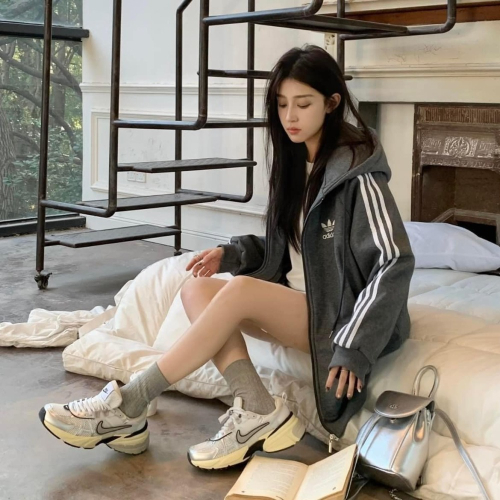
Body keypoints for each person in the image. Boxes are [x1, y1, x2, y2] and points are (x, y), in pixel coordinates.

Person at [39, 45, 415, 470]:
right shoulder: (296, 163)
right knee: (196, 289)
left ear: (331, 104)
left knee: (239, 292)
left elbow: (394, 260)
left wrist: (354, 347)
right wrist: (232, 254)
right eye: (282, 104)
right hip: (303, 305)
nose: (290, 116)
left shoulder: (358, 174)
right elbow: (296, 248)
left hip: (342, 317)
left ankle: (131, 402)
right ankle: (256, 406)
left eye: (303, 104)